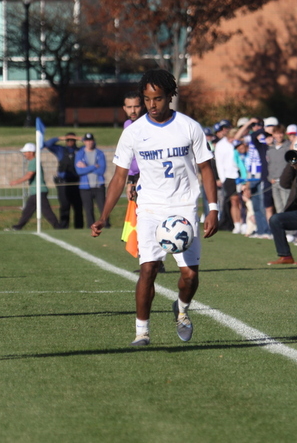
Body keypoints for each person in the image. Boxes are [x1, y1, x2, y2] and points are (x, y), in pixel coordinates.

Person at [91, 69, 218, 347]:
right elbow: (119, 177)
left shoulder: (189, 127)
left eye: (157, 99)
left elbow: (206, 168)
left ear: (170, 96)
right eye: (147, 99)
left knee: (190, 276)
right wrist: (103, 216)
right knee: (148, 269)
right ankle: (142, 332)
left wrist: (213, 208)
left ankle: (181, 309)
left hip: (184, 208)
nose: (151, 105)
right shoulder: (134, 132)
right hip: (149, 208)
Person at [8, 142, 61, 230]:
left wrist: (16, 182)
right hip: (35, 192)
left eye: (25, 152)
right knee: (27, 211)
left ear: (31, 152)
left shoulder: (34, 161)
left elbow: (29, 175)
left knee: (46, 211)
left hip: (39, 191)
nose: (24, 154)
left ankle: (58, 227)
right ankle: (18, 226)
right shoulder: (33, 162)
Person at [43, 132, 83, 229]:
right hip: (63, 181)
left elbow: (90, 143)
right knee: (64, 205)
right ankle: (64, 226)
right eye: (68, 140)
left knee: (78, 206)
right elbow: (46, 144)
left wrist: (78, 138)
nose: (70, 142)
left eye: (72, 140)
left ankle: (79, 227)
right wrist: (60, 138)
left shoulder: (80, 150)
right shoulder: (61, 150)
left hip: (76, 181)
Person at [213, 119, 243, 232]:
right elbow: (219, 163)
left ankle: (244, 223)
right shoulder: (220, 145)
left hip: (241, 175)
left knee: (243, 201)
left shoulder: (240, 143)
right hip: (229, 177)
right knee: (234, 200)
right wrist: (222, 178)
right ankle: (237, 224)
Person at [76, 132, 109, 228]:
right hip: (85, 187)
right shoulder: (80, 154)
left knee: (103, 207)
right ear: (84, 142)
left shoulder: (99, 153)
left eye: (91, 140)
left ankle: (106, 224)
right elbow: (79, 170)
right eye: (87, 141)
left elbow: (101, 170)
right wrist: (94, 166)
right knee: (88, 209)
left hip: (98, 186)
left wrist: (86, 167)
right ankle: (91, 226)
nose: (89, 142)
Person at [122, 91, 144, 201]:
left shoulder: (149, 124)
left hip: (149, 176)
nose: (133, 111)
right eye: (129, 107)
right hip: (135, 177)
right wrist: (130, 181)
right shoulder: (127, 125)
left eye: (136, 106)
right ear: (124, 108)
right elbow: (131, 155)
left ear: (143, 106)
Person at [267, 124, 291, 214]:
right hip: (274, 182)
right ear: (273, 135)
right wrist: (270, 178)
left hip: (285, 181)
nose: (279, 136)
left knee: (287, 206)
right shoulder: (270, 149)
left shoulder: (288, 146)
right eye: (277, 133)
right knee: (278, 208)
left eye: (281, 133)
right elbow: (269, 164)